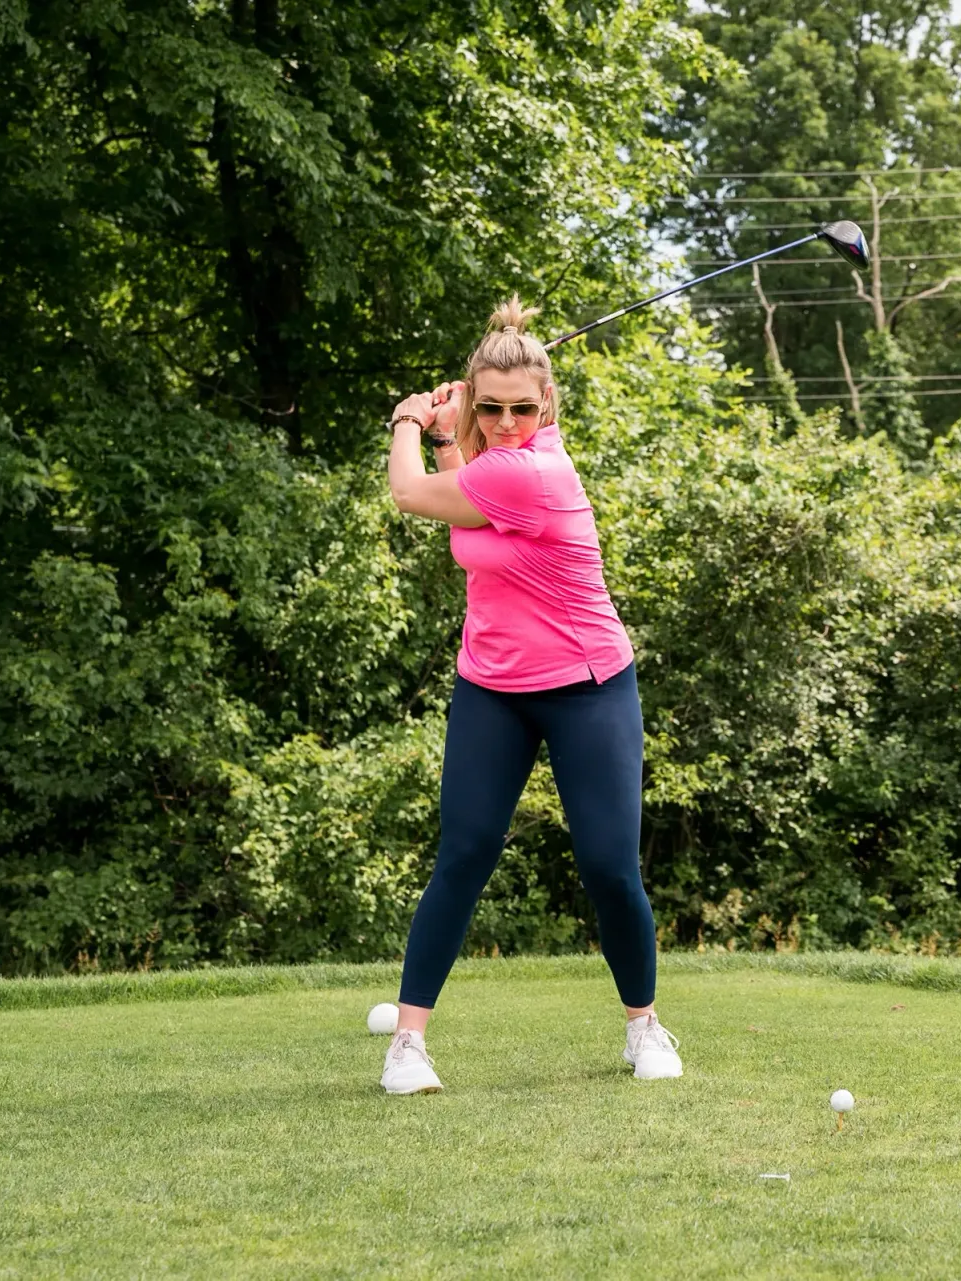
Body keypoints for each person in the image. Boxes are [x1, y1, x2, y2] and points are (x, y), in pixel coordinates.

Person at [377, 296, 681, 1095]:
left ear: (545, 404)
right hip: (493, 683)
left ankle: (643, 1024)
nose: (508, 420)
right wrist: (451, 439)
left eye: (521, 407)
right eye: (492, 408)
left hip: (587, 684)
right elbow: (467, 525)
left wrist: (409, 421)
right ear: (477, 402)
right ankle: (408, 1044)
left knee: (610, 865)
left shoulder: (537, 469)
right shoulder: (489, 469)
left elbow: (411, 496)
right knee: (466, 850)